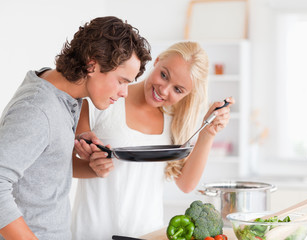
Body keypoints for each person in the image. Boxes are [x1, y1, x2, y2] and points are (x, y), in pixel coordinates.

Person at [0, 16, 151, 240]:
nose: (124, 93)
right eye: (121, 81)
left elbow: (40, 169)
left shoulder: (63, 93)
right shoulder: (37, 110)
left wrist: (90, 166)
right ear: (92, 64)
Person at [71, 41, 234, 239]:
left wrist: (208, 132)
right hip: (92, 234)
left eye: (178, 90)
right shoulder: (104, 101)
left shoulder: (175, 122)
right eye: (164, 75)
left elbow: (186, 185)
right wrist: (92, 165)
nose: (164, 90)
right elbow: (68, 160)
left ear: (187, 94)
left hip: (147, 234)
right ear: (156, 61)